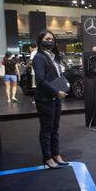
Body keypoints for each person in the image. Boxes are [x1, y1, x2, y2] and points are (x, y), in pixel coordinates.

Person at [32, 30, 69, 170]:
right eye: (47, 38)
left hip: (56, 98)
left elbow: (57, 75)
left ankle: (56, 154)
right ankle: (47, 157)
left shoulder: (54, 57)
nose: (50, 41)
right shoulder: (39, 57)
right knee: (47, 129)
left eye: (52, 39)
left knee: (55, 128)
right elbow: (40, 80)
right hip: (45, 99)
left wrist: (65, 84)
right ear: (41, 40)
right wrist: (55, 91)